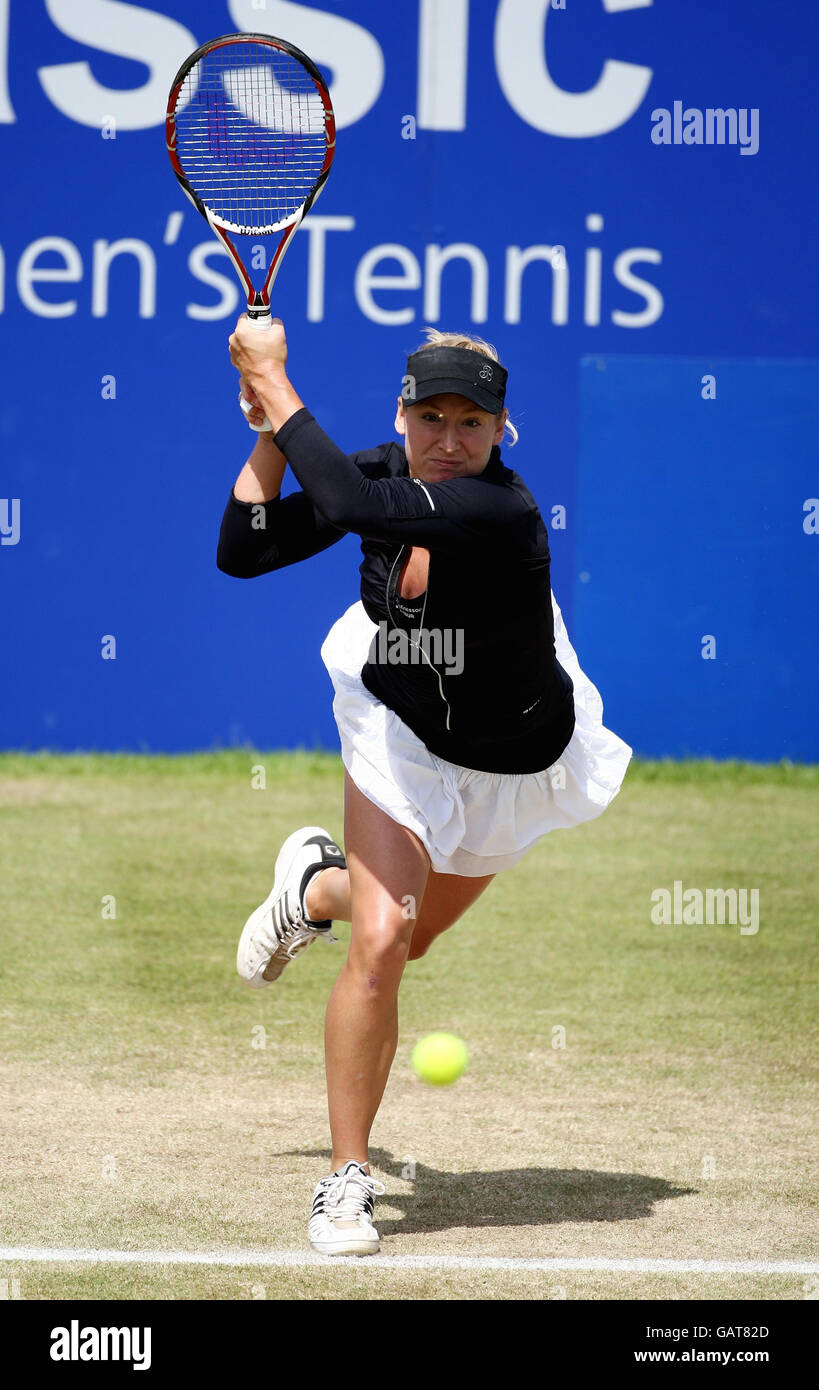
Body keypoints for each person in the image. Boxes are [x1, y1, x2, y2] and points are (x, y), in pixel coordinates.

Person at [219, 317, 632, 1256]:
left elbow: (359, 506)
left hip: (516, 757)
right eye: (431, 417)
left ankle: (311, 888)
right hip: (399, 725)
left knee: (419, 939)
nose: (449, 440)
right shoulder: (375, 470)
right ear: (401, 414)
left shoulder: (502, 514)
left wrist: (279, 391)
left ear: (500, 433)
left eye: (472, 424)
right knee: (384, 934)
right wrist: (263, 429)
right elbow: (242, 550)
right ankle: (346, 1180)